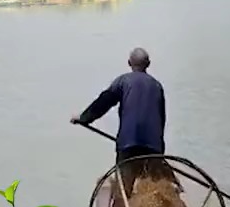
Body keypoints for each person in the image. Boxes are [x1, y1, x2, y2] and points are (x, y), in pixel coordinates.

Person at [71, 48, 166, 193]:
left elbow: (104, 102)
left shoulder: (123, 81)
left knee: (124, 188)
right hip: (153, 147)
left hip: (128, 144)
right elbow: (161, 119)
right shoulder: (157, 86)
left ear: (129, 63)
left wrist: (84, 118)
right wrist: (160, 151)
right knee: (153, 189)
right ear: (149, 64)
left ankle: (123, 206)